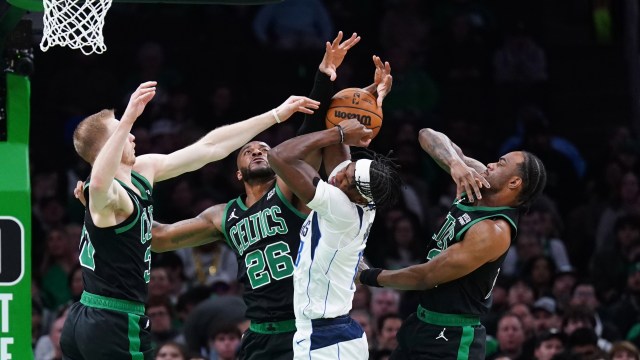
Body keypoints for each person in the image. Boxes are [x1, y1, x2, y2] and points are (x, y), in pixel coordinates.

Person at [149, 32, 390, 360]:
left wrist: (324, 77)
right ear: (238, 173)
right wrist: (111, 199)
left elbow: (312, 134)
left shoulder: (290, 191)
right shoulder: (223, 215)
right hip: (258, 334)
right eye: (249, 150)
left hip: (302, 328)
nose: (258, 150)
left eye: (264, 148)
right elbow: (159, 237)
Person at [60, 80, 319, 360]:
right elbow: (99, 180)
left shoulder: (142, 169)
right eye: (124, 131)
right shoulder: (109, 195)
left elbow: (211, 147)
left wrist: (276, 115)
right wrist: (131, 114)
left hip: (88, 316)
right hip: (113, 319)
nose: (132, 135)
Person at [358, 127, 548, 359]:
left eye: (501, 163)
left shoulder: (493, 230)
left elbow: (425, 277)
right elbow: (426, 134)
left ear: (514, 182)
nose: (491, 164)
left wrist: (367, 276)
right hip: (421, 320)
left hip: (452, 338)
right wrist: (455, 163)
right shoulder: (478, 179)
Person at [267, 104, 401, 359]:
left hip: (325, 340)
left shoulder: (341, 208)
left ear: (360, 198)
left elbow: (278, 156)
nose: (338, 178)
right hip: (332, 334)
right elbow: (337, 148)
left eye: (347, 182)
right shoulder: (361, 198)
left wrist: (339, 132)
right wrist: (363, 102)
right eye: (347, 171)